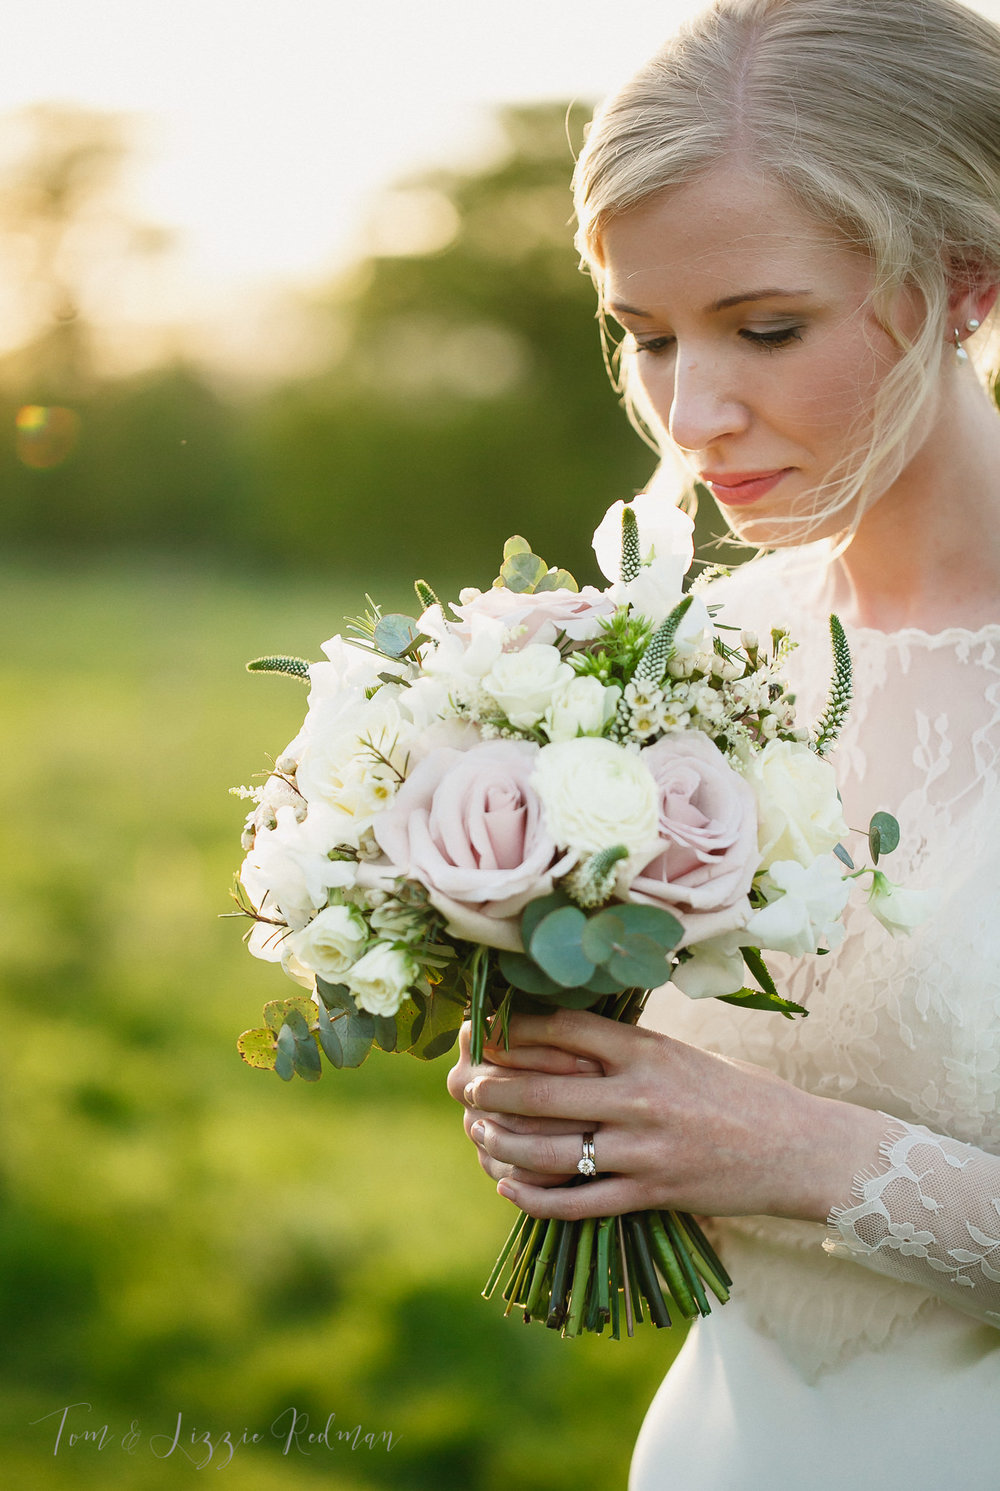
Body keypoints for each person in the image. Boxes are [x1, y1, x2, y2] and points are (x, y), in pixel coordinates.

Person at [446, 1, 1000, 1485]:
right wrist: (567, 1099)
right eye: (645, 337)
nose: (693, 413)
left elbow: (765, 1135)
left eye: (766, 329)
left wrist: (795, 1152)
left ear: (962, 281)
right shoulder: (668, 662)